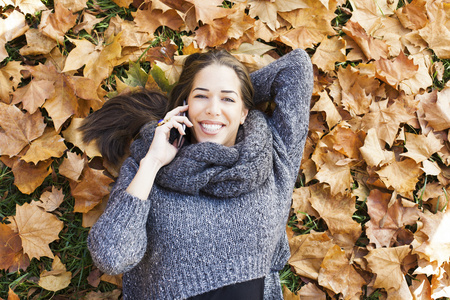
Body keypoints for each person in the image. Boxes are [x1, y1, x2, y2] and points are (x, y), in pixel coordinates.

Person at [82, 48, 313, 299]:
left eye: (227, 100)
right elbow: (112, 258)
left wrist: (236, 86)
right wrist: (153, 162)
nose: (213, 110)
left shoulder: (272, 156)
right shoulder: (149, 166)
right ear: (185, 105)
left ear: (245, 112)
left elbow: (296, 68)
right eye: (201, 97)